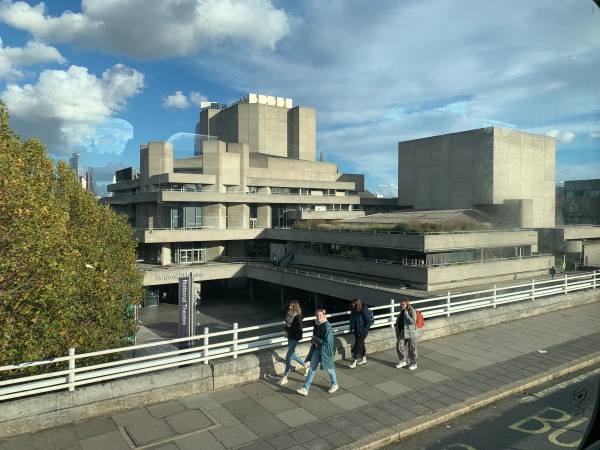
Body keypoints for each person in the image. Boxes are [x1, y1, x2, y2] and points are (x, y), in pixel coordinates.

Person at [297, 308, 339, 395]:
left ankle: (335, 384)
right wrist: (314, 340)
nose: (318, 317)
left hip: (325, 351)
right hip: (317, 349)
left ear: (324, 315)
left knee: (330, 369)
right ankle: (305, 388)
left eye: (320, 315)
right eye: (317, 315)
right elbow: (315, 336)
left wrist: (315, 339)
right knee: (312, 369)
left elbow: (328, 341)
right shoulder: (316, 323)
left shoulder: (327, 326)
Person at [279, 300, 309, 385]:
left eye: (292, 306)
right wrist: (287, 331)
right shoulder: (289, 314)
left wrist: (289, 330)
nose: (290, 307)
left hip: (295, 338)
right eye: (290, 306)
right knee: (293, 355)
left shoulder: (298, 317)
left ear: (296, 307)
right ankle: (306, 365)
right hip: (289, 336)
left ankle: (285, 376)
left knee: (288, 356)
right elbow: (286, 323)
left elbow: (298, 330)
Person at [395, 299, 418, 370]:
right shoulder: (401, 311)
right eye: (400, 304)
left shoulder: (412, 311)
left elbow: (413, 321)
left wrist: (407, 315)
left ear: (407, 304)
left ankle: (414, 363)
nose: (401, 305)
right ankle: (403, 361)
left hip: (410, 332)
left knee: (412, 349)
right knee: (399, 346)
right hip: (402, 332)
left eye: (403, 304)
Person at [348, 299, 369, 368]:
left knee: (357, 346)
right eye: (352, 303)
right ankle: (364, 359)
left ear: (357, 304)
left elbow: (368, 322)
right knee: (361, 344)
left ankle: (354, 362)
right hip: (356, 330)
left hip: (362, 331)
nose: (352, 304)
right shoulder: (354, 309)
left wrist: (363, 330)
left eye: (353, 303)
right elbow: (352, 319)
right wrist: (351, 327)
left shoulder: (363, 310)